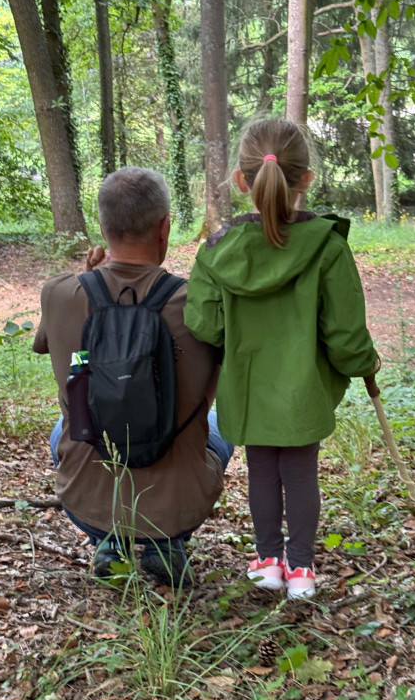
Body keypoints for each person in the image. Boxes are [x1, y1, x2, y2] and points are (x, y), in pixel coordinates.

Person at [184, 119, 379, 599]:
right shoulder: (328, 245)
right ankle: (302, 570)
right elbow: (345, 334)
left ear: (240, 180)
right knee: (301, 471)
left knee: (262, 470)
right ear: (306, 178)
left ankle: (269, 562)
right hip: (304, 390)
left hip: (249, 389)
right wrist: (365, 364)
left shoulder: (217, 252)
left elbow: (205, 325)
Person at [33, 167, 233, 585]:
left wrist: (88, 276)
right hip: (180, 505)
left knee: (62, 430)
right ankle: (167, 544)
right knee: (218, 426)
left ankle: (110, 542)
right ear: (164, 228)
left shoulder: (58, 294)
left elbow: (52, 344)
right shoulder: (199, 302)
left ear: (103, 227)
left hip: (85, 501)